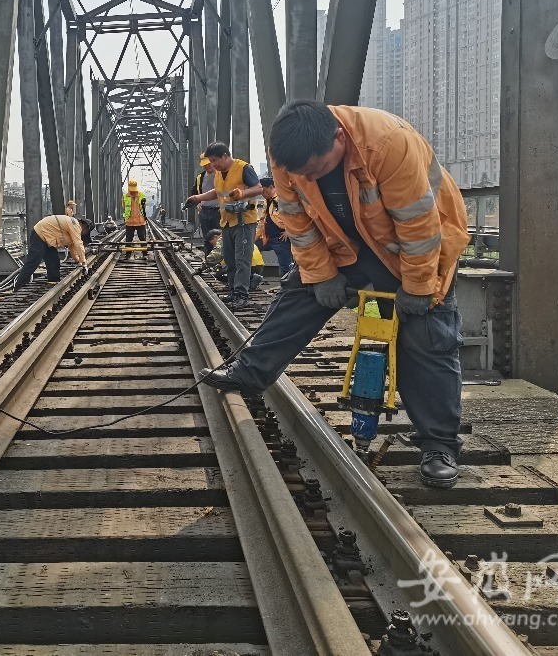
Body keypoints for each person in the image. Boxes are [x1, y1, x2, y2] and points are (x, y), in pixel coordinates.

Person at [199, 100, 470, 488]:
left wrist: (418, 286)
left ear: (339, 137)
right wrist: (321, 274)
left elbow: (419, 227)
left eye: (315, 169)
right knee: (299, 292)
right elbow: (296, 221)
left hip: (415, 250)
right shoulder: (287, 156)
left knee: (428, 336)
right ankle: (251, 373)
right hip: (347, 245)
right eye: (298, 172)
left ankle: (439, 446)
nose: (305, 176)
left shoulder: (390, 145)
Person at [185, 142, 263, 309]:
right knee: (230, 259)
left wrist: (243, 193)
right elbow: (216, 192)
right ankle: (234, 291)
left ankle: (242, 295)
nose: (212, 165)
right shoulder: (219, 174)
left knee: (242, 259)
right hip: (226, 221)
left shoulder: (244, 168)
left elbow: (258, 188)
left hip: (243, 221)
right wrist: (198, 198)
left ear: (225, 156)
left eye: (215, 160)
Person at [15, 214, 93, 289]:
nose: (85, 234)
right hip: (40, 234)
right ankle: (19, 287)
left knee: (54, 261)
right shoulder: (75, 225)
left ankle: (53, 282)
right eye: (87, 232)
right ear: (85, 227)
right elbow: (78, 244)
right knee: (33, 262)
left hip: (48, 238)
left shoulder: (74, 227)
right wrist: (84, 263)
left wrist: (77, 260)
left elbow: (72, 246)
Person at [255, 177, 293, 278]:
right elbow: (262, 220)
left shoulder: (282, 199)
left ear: (271, 187)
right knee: (253, 247)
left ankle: (289, 287)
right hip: (269, 237)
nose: (262, 194)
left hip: (280, 237)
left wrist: (289, 231)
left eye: (263, 191)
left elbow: (294, 215)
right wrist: (256, 237)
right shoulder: (267, 201)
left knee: (285, 266)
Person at [193, 154, 221, 254]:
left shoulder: (221, 175)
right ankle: (209, 261)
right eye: (205, 165)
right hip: (205, 211)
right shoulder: (200, 178)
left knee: (219, 238)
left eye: (209, 164)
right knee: (208, 238)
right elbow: (194, 193)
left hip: (219, 211)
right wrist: (198, 203)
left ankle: (220, 262)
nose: (207, 166)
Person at [121, 179, 147, 261]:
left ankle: (145, 254)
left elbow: (144, 206)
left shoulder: (142, 195)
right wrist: (125, 217)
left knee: (142, 239)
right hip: (130, 222)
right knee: (128, 240)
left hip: (140, 222)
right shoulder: (125, 196)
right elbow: (124, 208)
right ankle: (128, 255)